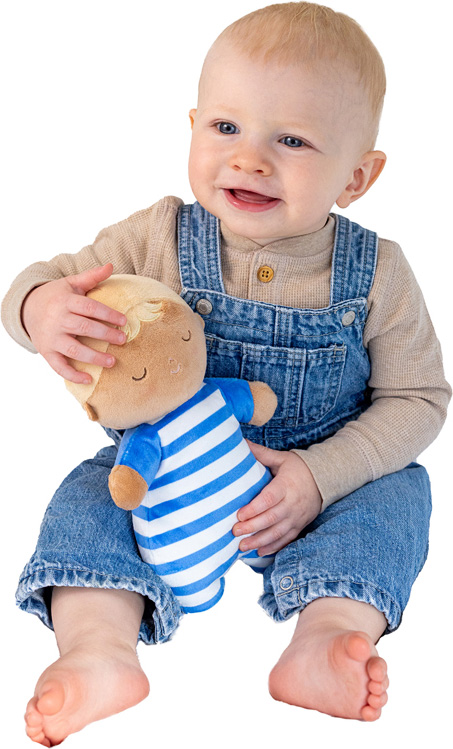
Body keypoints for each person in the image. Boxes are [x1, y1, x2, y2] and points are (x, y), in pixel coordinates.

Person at [1, 1, 450, 744]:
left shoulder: (378, 273)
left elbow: (418, 398)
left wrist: (321, 476)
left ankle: (326, 632)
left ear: (357, 176)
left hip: (316, 482)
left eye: (292, 140)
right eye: (225, 127)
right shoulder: (159, 234)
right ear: (192, 126)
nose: (249, 160)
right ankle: (99, 645)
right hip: (163, 468)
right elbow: (47, 278)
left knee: (398, 498)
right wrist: (39, 307)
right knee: (87, 498)